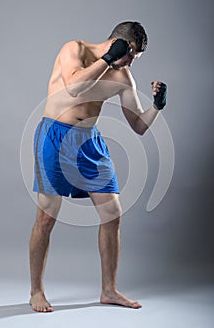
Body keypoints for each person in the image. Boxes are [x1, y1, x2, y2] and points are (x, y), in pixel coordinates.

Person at [29, 21, 167, 312]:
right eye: (130, 55)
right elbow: (76, 88)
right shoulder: (74, 49)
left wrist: (156, 105)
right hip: (55, 134)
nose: (130, 63)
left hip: (90, 142)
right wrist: (106, 59)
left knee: (112, 214)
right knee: (46, 217)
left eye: (134, 60)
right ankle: (36, 291)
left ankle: (109, 290)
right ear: (118, 43)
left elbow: (138, 126)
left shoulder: (123, 76)